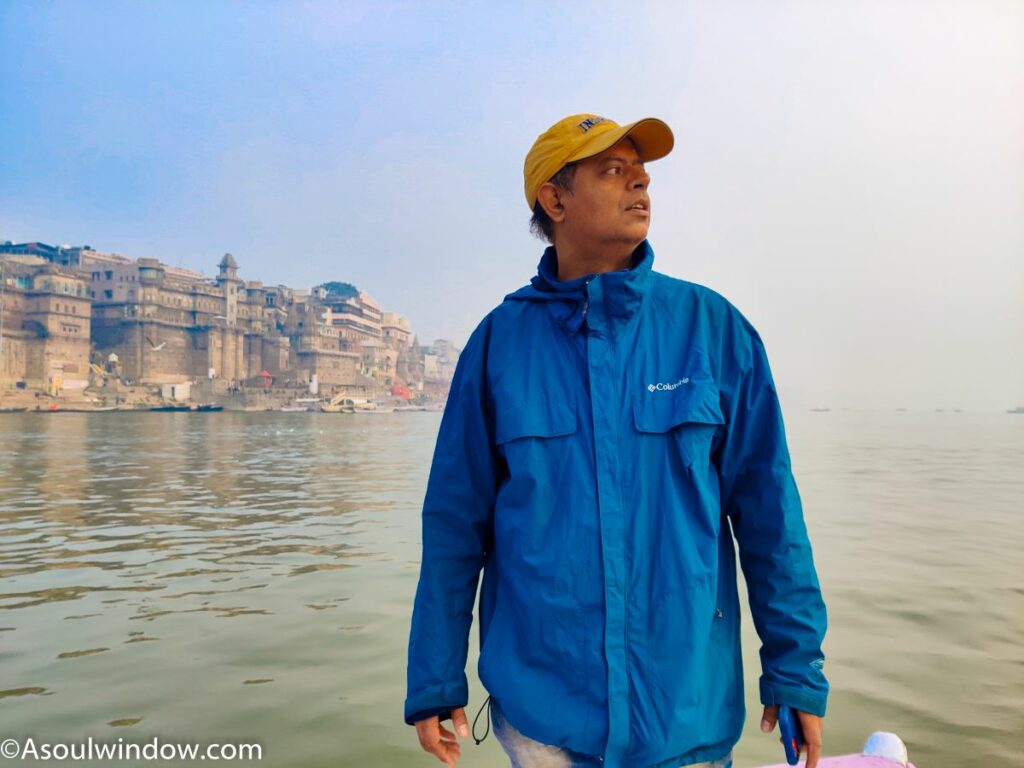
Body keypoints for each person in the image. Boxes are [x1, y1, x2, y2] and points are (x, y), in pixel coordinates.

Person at [404, 113, 829, 768]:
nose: (640, 185)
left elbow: (771, 516)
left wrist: (796, 668)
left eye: (642, 173)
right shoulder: (498, 346)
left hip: (684, 711)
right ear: (554, 198)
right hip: (543, 717)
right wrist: (435, 680)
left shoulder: (713, 331)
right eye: (612, 170)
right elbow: (456, 526)